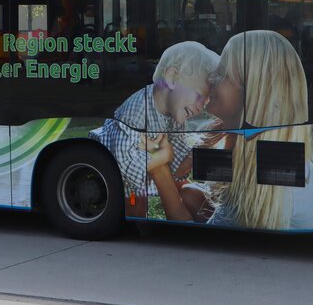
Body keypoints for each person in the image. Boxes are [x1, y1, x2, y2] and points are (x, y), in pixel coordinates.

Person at [146, 30, 313, 230]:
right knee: (188, 192)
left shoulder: (271, 174)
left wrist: (159, 170)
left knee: (183, 193)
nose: (211, 78)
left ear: (251, 92)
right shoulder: (269, 153)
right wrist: (189, 160)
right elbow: (210, 170)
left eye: (223, 73)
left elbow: (205, 245)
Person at [89, 41, 219, 216]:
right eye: (199, 95)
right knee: (135, 204)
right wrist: (161, 157)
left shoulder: (176, 112)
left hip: (145, 171)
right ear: (172, 77)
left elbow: (176, 158)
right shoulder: (136, 110)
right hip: (121, 179)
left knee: (186, 188)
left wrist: (193, 156)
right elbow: (124, 166)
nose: (201, 107)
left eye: (206, 101)